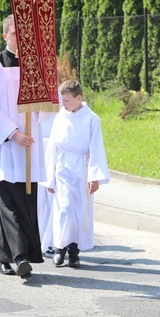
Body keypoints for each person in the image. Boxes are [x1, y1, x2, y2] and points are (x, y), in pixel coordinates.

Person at [0, 14, 48, 279]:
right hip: (4, 146)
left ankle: (3, 257)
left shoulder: (36, 65)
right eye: (17, 33)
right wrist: (14, 133)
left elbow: (49, 107)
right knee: (9, 204)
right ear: (5, 35)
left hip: (29, 147)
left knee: (26, 200)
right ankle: (21, 256)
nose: (23, 38)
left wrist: (42, 101)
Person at [42, 80, 109, 268]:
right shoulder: (61, 116)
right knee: (64, 208)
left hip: (81, 168)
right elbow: (53, 146)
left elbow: (96, 148)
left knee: (78, 211)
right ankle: (59, 248)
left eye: (67, 100)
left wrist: (94, 176)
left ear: (79, 98)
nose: (63, 104)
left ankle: (73, 251)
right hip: (62, 166)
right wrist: (49, 177)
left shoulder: (91, 119)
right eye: (62, 100)